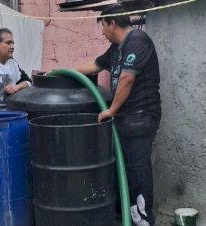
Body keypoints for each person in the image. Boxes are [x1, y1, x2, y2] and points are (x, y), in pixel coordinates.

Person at [75, 4, 161, 226]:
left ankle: (144, 220)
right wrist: (63, 71)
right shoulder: (115, 48)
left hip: (140, 117)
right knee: (127, 169)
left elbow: (127, 78)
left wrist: (111, 109)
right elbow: (95, 65)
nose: (102, 32)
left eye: (103, 26)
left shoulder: (138, 40)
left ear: (112, 23)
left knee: (138, 169)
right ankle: (130, 217)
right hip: (125, 118)